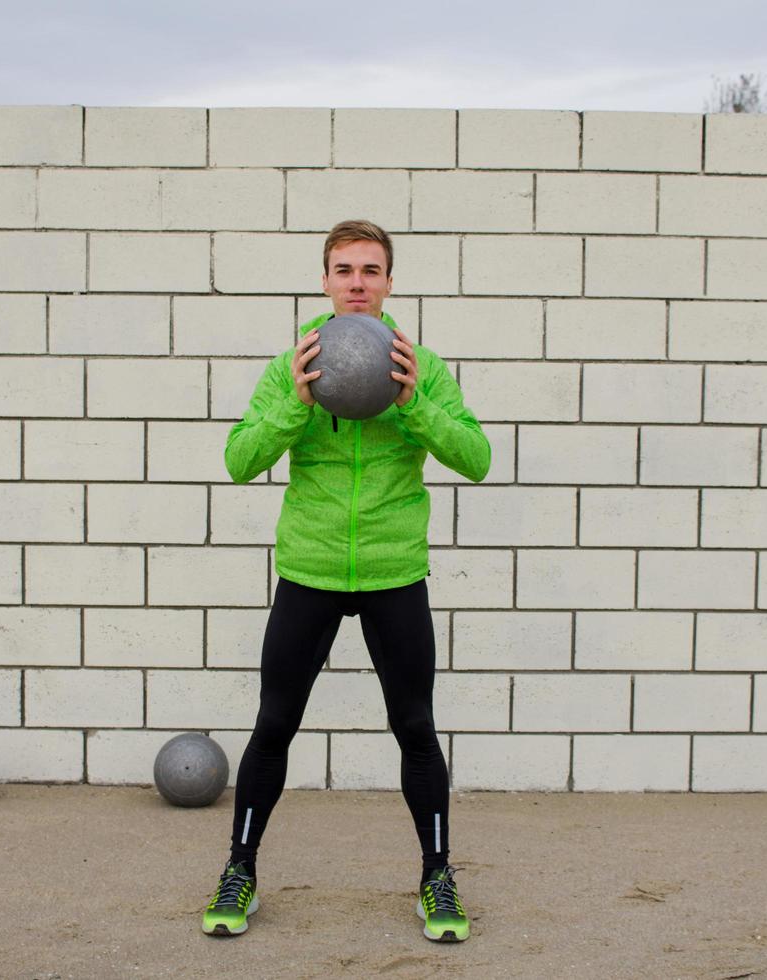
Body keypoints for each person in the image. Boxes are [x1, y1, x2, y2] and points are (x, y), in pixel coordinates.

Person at [201, 220, 491, 942]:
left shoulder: (421, 365)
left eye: (370, 269)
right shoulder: (292, 364)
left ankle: (437, 877)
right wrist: (294, 405)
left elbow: (477, 457)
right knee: (274, 725)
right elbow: (239, 459)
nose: (357, 282)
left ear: (390, 282)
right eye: (343, 270)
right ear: (325, 282)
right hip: (312, 569)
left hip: (394, 573)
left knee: (415, 728)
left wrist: (413, 404)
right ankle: (240, 869)